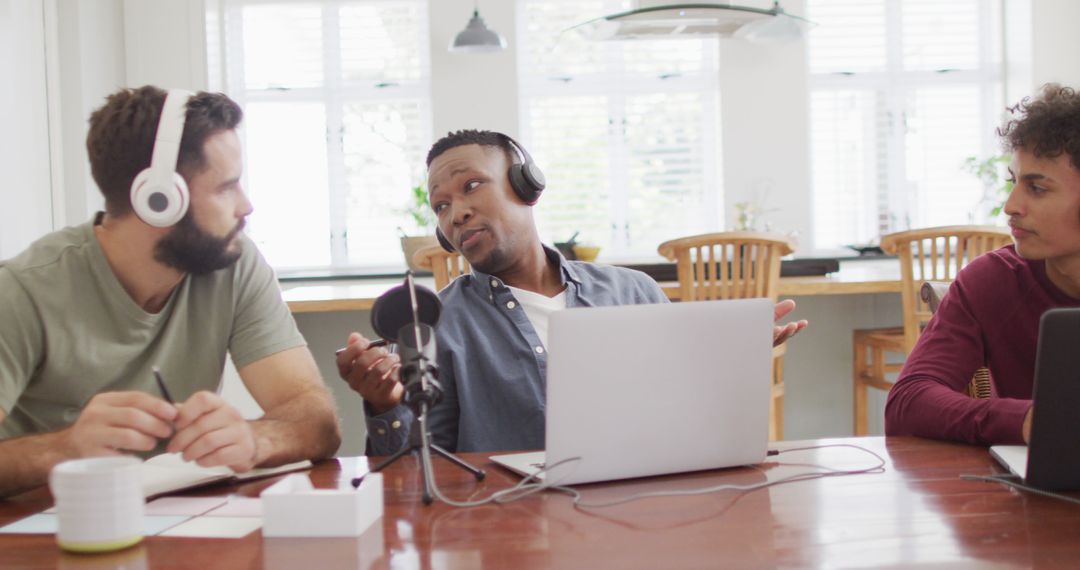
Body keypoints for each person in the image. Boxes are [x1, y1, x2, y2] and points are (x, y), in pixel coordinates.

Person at [337, 129, 807, 455]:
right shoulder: (438, 323)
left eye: (471, 186)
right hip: (512, 529)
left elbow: (684, 417)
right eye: (441, 205)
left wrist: (728, 362)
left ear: (526, 187)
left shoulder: (632, 290)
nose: (455, 212)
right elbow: (422, 470)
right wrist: (386, 405)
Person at [0, 86, 341, 498]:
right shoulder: (22, 290)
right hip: (40, 535)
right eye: (225, 187)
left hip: (172, 524)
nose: (245, 205)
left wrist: (256, 440)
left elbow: (316, 417)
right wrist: (62, 448)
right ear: (158, 200)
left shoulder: (234, 262)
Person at [885, 83, 1080, 445]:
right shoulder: (993, 282)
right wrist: (1025, 420)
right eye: (1014, 182)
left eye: (1036, 188)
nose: (1011, 205)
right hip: (1040, 495)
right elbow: (907, 403)